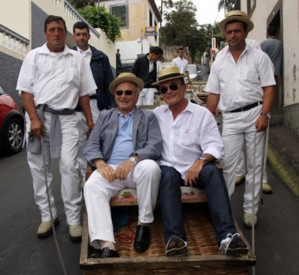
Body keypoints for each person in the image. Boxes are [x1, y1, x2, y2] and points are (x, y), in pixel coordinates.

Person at [153, 66, 248, 257]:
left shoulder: (201, 114)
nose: (169, 92)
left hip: (193, 168)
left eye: (173, 86)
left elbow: (215, 144)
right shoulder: (157, 114)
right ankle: (175, 239)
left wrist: (201, 160)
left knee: (213, 172)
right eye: (164, 89)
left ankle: (227, 236)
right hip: (168, 169)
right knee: (167, 175)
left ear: (184, 86)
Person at [16, 15, 96, 241]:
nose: (57, 33)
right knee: (39, 168)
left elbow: (84, 94)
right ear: (45, 33)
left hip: (69, 118)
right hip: (39, 118)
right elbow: (25, 92)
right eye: (52, 29)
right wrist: (33, 119)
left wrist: (90, 122)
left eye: (60, 29)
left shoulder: (77, 59)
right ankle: (48, 215)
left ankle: (73, 219)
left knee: (70, 167)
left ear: (66, 33)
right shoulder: (34, 56)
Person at [206, 10, 275, 229]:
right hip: (231, 118)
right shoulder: (219, 59)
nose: (233, 35)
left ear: (245, 32)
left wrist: (264, 114)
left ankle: (250, 210)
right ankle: (222, 208)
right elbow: (214, 93)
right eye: (229, 32)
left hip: (255, 113)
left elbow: (269, 88)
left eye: (237, 31)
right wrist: (206, 120)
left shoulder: (259, 57)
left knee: (255, 165)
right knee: (227, 165)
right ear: (225, 34)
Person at [82, 72, 162, 258]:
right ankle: (107, 246)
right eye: (119, 92)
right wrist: (100, 163)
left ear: (136, 95)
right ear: (115, 95)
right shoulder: (104, 117)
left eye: (128, 92)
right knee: (92, 185)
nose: (123, 96)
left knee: (150, 168)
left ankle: (144, 225)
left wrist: (133, 159)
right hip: (110, 169)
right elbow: (91, 144)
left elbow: (155, 145)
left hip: (137, 169)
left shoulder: (148, 117)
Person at [72, 21, 117, 180]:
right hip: (76, 107)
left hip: (98, 104)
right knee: (78, 142)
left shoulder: (100, 57)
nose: (81, 37)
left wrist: (113, 104)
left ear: (89, 36)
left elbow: (109, 83)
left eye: (84, 34)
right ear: (74, 36)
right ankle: (84, 178)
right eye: (78, 34)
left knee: (100, 139)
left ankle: (101, 174)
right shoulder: (69, 56)